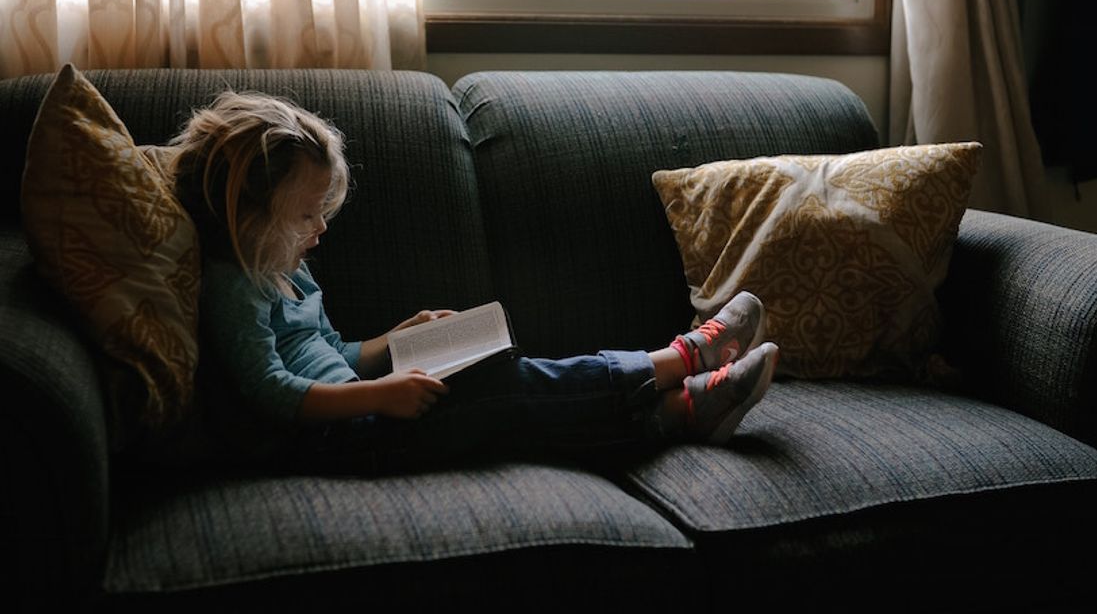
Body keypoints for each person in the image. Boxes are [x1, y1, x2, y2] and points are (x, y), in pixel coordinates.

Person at [170, 91, 777, 473]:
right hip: (338, 441)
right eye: (305, 215)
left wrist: (395, 339)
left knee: (508, 396)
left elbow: (333, 354)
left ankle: (681, 410)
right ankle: (679, 359)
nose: (321, 228)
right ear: (247, 215)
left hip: (359, 412)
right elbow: (272, 390)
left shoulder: (285, 265)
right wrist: (380, 394)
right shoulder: (233, 286)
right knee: (500, 388)